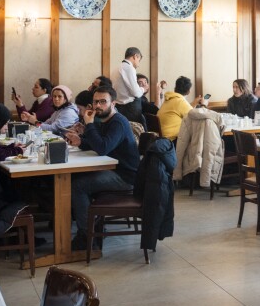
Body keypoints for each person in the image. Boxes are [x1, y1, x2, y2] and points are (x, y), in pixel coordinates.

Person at [66, 86, 140, 250]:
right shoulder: (104, 120)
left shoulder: (118, 122)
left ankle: (86, 236)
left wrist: (89, 124)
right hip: (112, 170)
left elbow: (102, 147)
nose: (98, 105)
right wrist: (80, 141)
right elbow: (98, 143)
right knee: (74, 180)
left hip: (125, 176)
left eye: (103, 102)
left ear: (113, 103)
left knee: (78, 185)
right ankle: (93, 227)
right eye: (95, 102)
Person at [158, 76, 204, 141]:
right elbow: (195, 116)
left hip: (163, 138)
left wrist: (194, 103)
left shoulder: (170, 98)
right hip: (173, 139)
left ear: (175, 88)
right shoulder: (179, 101)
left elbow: (185, 110)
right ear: (189, 91)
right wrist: (204, 104)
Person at [114, 47, 146, 126]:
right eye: (139, 60)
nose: (138, 64)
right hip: (129, 108)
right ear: (135, 56)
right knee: (136, 132)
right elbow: (136, 92)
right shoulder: (128, 68)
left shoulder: (117, 67)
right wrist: (143, 89)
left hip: (119, 106)